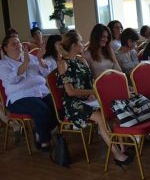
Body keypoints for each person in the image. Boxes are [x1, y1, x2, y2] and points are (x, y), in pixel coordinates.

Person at [57, 31, 133, 166]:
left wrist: (94, 92)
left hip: (89, 99)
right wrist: (93, 92)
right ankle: (116, 153)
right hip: (74, 103)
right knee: (100, 117)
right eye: (80, 42)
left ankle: (123, 148)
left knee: (114, 109)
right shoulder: (63, 64)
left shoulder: (82, 60)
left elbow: (91, 81)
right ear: (74, 45)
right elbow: (70, 91)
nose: (83, 44)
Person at [0, 36, 56, 151]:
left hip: (41, 92)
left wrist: (39, 58)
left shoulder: (30, 57)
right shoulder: (3, 65)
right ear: (5, 48)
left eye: (18, 43)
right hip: (20, 97)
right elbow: (13, 79)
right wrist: (25, 63)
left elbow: (45, 72)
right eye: (13, 44)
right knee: (42, 110)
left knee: (59, 107)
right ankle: (44, 142)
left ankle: (39, 131)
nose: (18, 45)